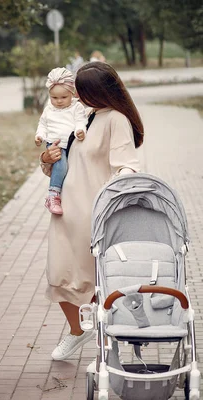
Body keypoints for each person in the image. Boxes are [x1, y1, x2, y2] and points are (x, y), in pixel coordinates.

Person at [39, 61, 143, 360]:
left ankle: (106, 343)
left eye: (81, 90)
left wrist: (111, 199)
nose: (76, 96)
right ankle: (78, 330)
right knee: (59, 274)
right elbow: (62, 165)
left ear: (97, 91)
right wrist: (46, 159)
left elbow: (127, 165)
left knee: (97, 279)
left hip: (94, 215)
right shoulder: (84, 116)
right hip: (64, 215)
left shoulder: (116, 119)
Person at [35, 67, 88, 215]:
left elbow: (80, 121)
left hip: (71, 142)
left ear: (72, 93)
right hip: (55, 143)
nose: (58, 101)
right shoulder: (48, 109)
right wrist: (39, 136)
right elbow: (43, 124)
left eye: (63, 97)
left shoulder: (76, 107)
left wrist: (81, 131)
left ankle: (57, 195)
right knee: (61, 165)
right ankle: (53, 195)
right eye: (54, 98)